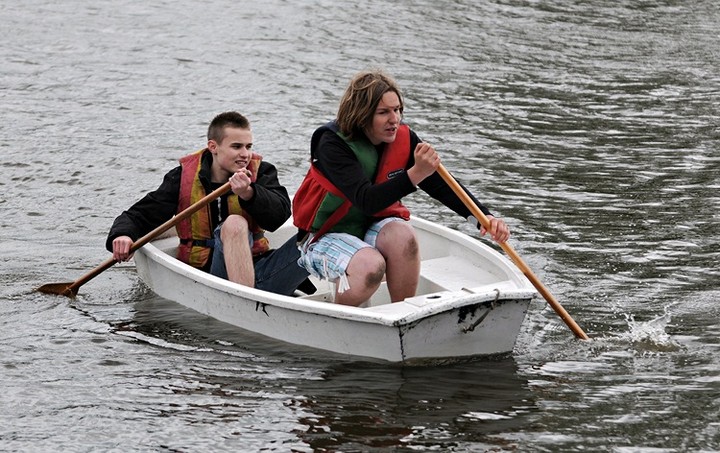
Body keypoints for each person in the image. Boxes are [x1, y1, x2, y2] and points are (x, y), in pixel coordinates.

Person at [292, 70, 510, 306]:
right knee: (371, 266)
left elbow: (442, 185)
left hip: (368, 226)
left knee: (404, 237)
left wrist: (483, 217)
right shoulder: (332, 144)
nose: (394, 119)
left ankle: (402, 313)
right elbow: (366, 200)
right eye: (383, 112)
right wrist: (416, 172)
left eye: (397, 110)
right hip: (324, 235)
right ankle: (340, 318)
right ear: (361, 115)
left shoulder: (402, 137)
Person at [106, 111, 310, 296]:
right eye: (236, 146)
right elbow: (140, 215)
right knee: (234, 224)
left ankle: (337, 303)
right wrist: (123, 234)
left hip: (261, 270)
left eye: (248, 147)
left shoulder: (262, 172)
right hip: (213, 275)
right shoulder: (182, 178)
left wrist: (249, 193)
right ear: (213, 147)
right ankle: (248, 303)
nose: (245, 154)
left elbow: (280, 216)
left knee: (319, 231)